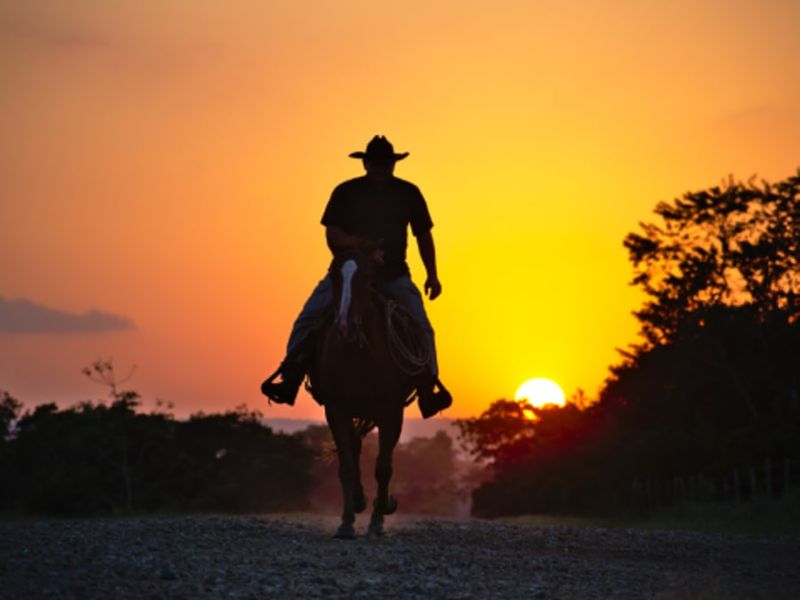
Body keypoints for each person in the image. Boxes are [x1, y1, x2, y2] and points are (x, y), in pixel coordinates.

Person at [261, 135, 451, 418]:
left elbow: (423, 235)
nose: (380, 169)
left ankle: (428, 389)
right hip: (347, 273)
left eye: (386, 164)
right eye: (375, 164)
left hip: (393, 275)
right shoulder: (345, 192)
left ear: (393, 165)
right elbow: (332, 234)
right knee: (308, 319)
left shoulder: (409, 193)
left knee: (421, 325)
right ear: (365, 163)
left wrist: (432, 275)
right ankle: (290, 378)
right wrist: (361, 246)